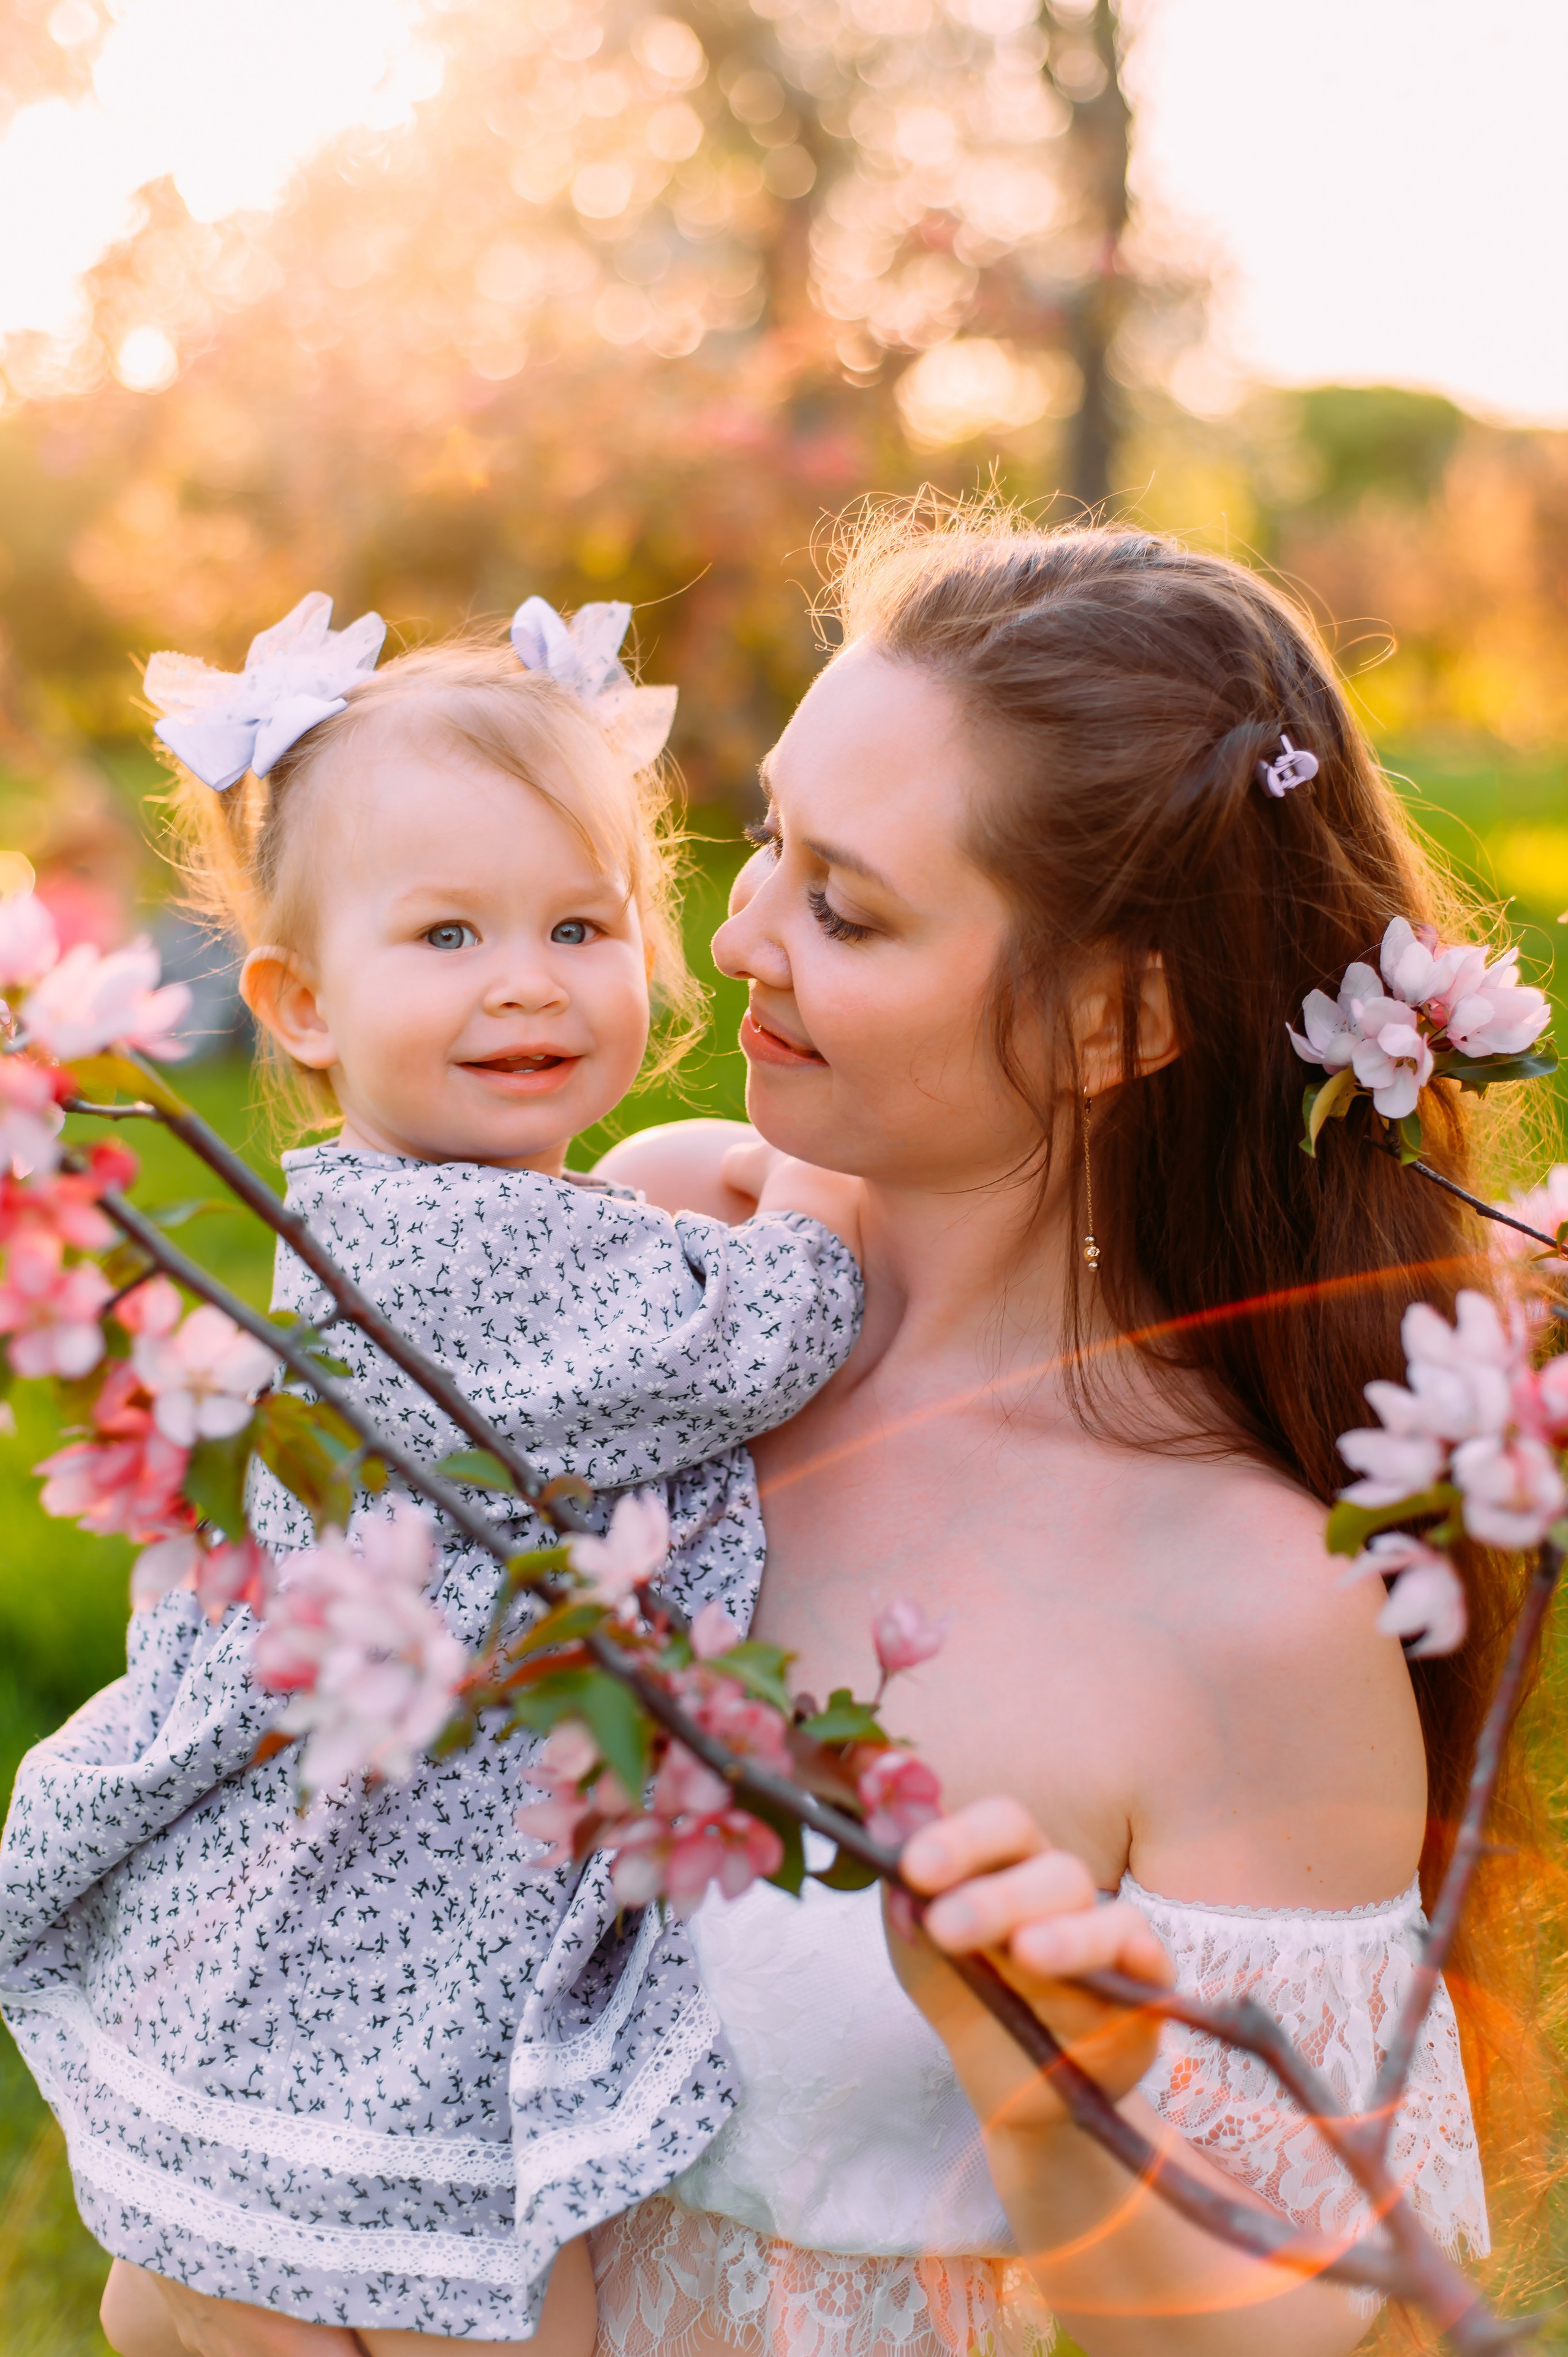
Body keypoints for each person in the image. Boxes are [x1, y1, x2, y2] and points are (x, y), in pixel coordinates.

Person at [586, 505, 1501, 2356]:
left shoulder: (1254, 1609)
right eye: (771, 837)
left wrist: (1048, 2090)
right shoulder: (655, 1261)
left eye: (846, 906)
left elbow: (1306, 2337)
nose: (739, 928)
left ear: (1114, 1020)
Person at [0, 595, 864, 2357]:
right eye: (448, 933)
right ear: (302, 1009)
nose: (528, 979)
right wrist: (827, 1174)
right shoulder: (436, 1243)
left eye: (577, 922)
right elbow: (761, 1338)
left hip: (305, 2015)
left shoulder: (427, 1223)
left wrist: (659, 1173)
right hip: (357, 2042)